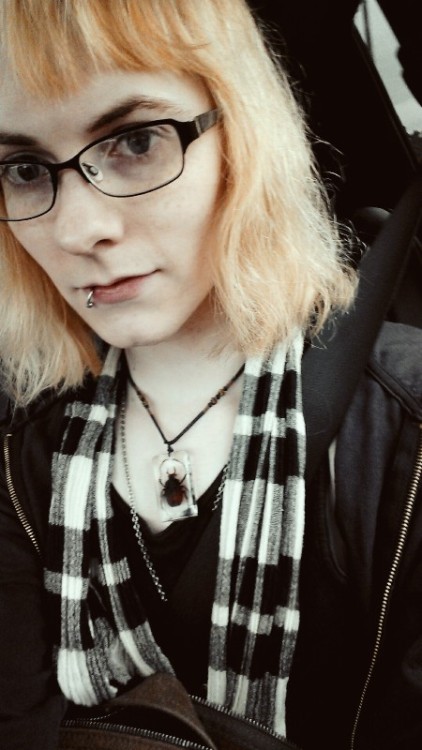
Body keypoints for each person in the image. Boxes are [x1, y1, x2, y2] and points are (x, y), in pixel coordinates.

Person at [0, 2, 421, 749]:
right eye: (26, 171)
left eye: (135, 141)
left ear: (244, 135)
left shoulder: (404, 436)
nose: (78, 229)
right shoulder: (18, 450)